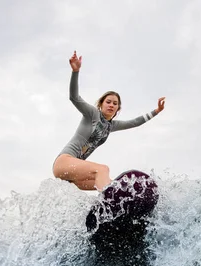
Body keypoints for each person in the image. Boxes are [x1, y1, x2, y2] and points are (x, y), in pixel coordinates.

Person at [53, 51, 166, 191]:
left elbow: (135, 122)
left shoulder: (111, 126)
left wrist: (156, 111)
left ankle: (123, 207)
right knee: (103, 169)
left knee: (113, 184)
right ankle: (110, 202)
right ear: (101, 104)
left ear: (118, 108)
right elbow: (74, 97)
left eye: (115, 103)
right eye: (108, 102)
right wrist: (75, 71)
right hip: (64, 163)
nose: (111, 105)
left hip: (74, 178)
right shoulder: (92, 114)